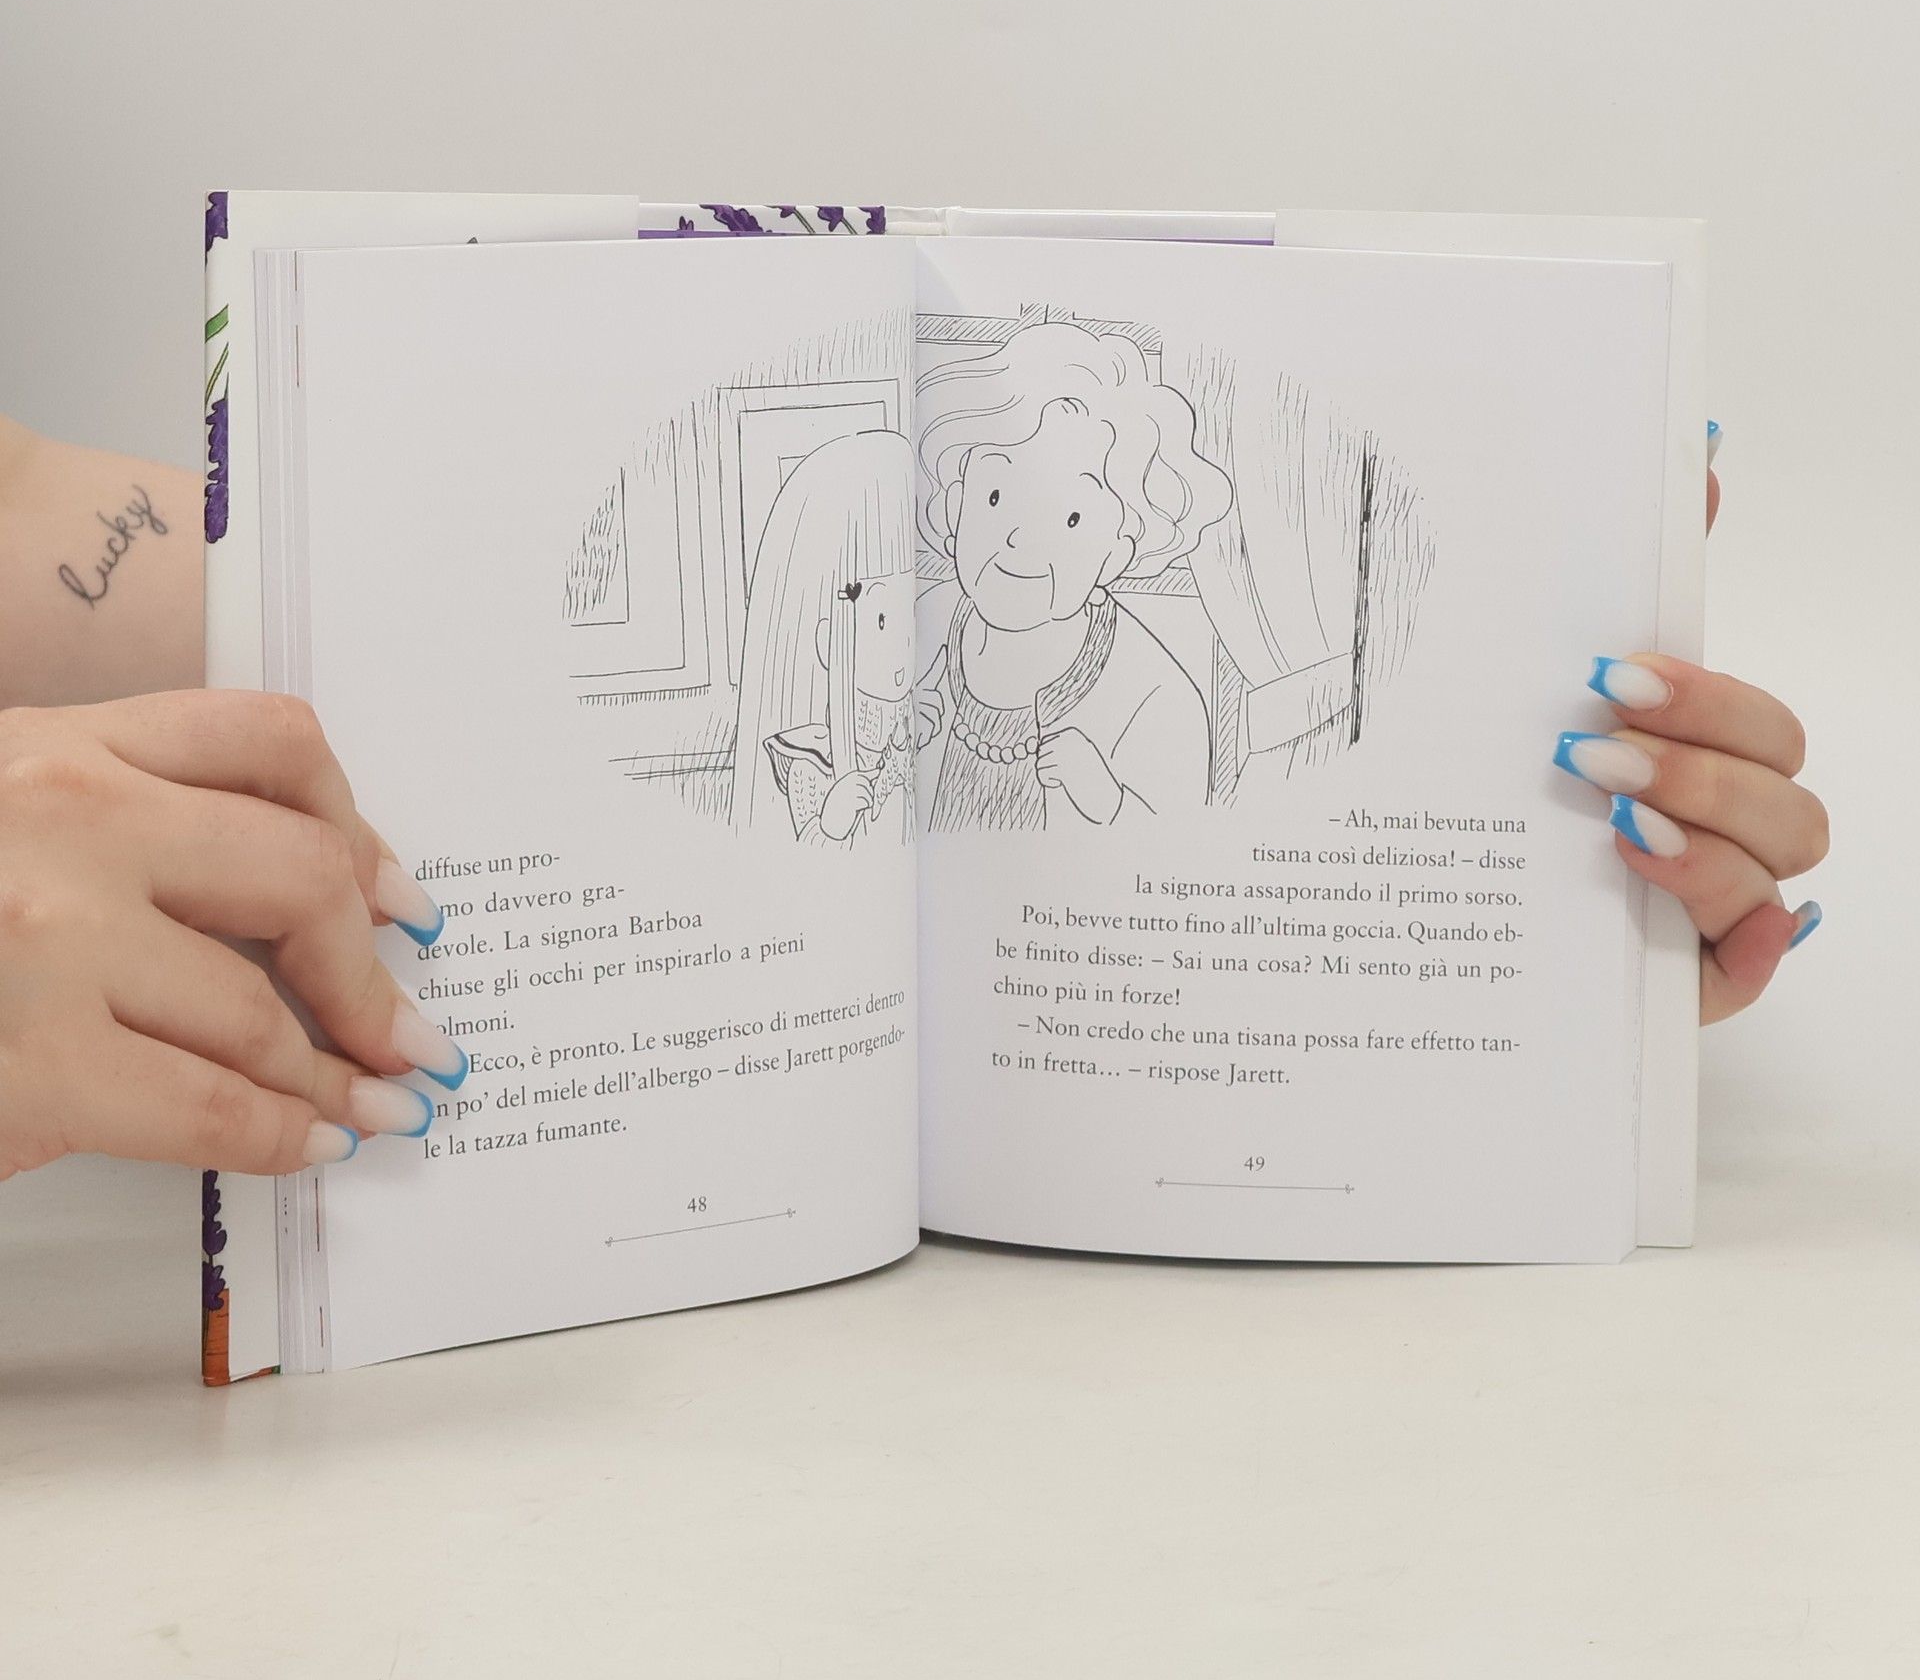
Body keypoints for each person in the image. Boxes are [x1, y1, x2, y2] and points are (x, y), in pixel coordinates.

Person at [0, 408, 1828, 1181]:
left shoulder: (1139, 665)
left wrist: (1456, 870)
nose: (1020, 543)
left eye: (1072, 514)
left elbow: (63, 553)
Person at [915, 321, 1234, 831]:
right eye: (995, 497)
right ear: (956, 508)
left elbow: (1185, 849)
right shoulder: (928, 623)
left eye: (1070, 518)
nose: (1019, 538)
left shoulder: (1157, 696)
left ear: (1115, 556)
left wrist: (1110, 802)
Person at [730, 430, 921, 846]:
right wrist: (830, 826)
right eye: (882, 620)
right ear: (826, 640)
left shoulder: (904, 726)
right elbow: (802, 863)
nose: (904, 642)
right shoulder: (811, 759)